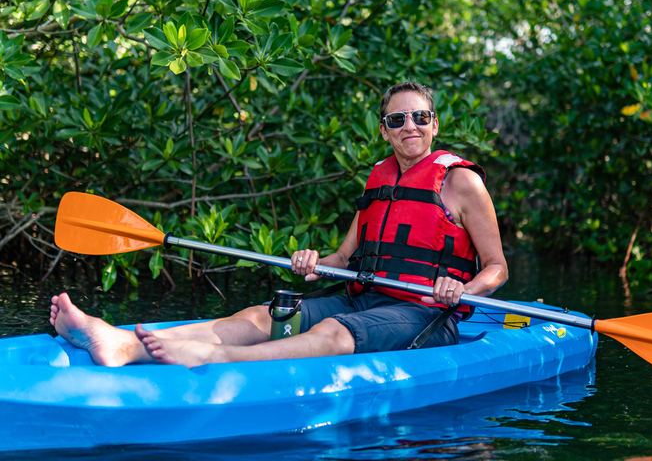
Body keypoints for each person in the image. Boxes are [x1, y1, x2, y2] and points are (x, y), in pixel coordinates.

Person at [50, 81, 508, 368]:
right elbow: (342, 258)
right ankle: (119, 342)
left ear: (434, 124)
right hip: (364, 299)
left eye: (420, 117)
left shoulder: (462, 182)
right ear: (385, 130)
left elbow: (496, 268)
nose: (411, 125)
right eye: (397, 119)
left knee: (328, 335)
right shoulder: (381, 179)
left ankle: (210, 357)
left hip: (426, 313)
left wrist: (464, 291)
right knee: (261, 316)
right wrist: (316, 263)